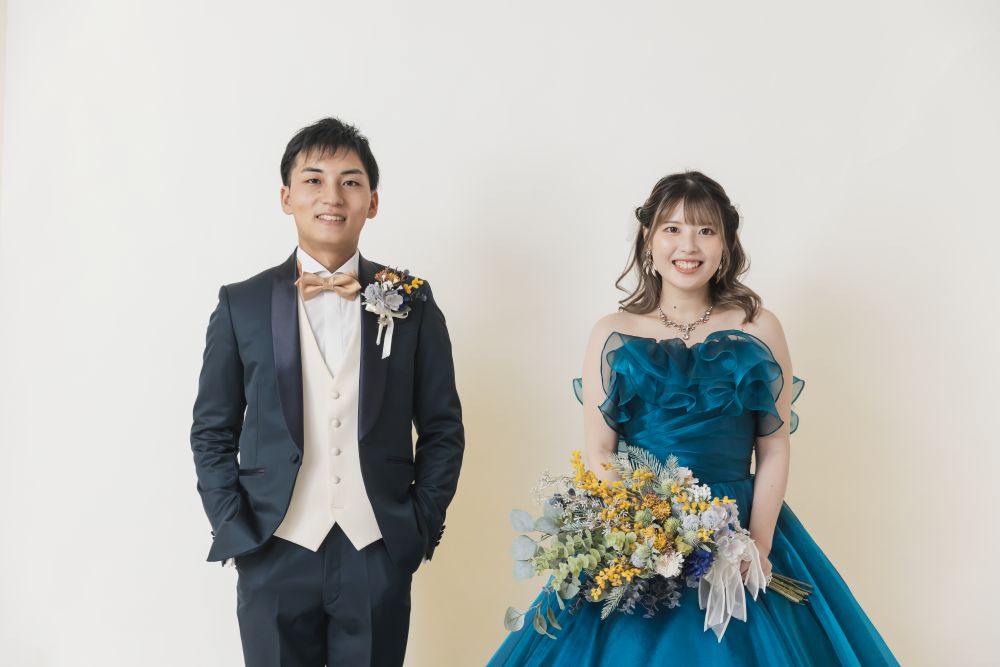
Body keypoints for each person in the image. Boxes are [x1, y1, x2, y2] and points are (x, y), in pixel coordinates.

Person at [487, 171, 897, 666]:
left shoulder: (759, 327)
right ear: (648, 238)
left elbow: (774, 448)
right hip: (640, 529)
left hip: (738, 525)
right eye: (672, 229)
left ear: (726, 243)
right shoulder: (612, 332)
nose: (689, 245)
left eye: (706, 230)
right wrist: (648, 528)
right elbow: (599, 451)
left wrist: (758, 545)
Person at [190, 117, 464, 667]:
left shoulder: (412, 300)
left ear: (373, 201)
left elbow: (442, 429)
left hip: (376, 549)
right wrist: (235, 527)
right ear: (286, 197)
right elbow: (212, 430)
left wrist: (416, 527)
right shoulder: (241, 303)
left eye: (350, 181)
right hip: (273, 546)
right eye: (313, 180)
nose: (332, 196)